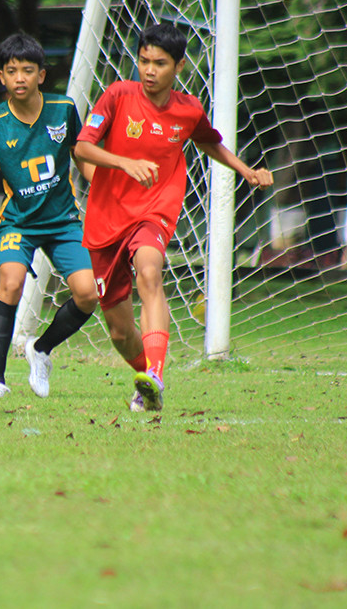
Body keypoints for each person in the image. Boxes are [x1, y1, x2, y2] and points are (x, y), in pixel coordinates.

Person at [74, 22, 274, 412]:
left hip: (155, 211)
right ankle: (148, 382)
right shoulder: (117, 95)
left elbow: (207, 141)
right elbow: (83, 148)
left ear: (179, 66)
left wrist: (245, 170)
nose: (149, 70)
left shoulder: (188, 109)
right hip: (106, 218)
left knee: (149, 271)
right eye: (144, 61)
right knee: (119, 331)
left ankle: (157, 373)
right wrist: (124, 162)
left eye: (160, 63)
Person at [0, 33, 97, 400]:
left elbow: (80, 154)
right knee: (10, 283)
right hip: (18, 221)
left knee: (87, 295)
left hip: (63, 220)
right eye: (11, 71)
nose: (19, 77)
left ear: (41, 76)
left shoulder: (64, 108)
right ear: (1, 77)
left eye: (27, 70)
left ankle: (42, 349)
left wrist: (97, 191)